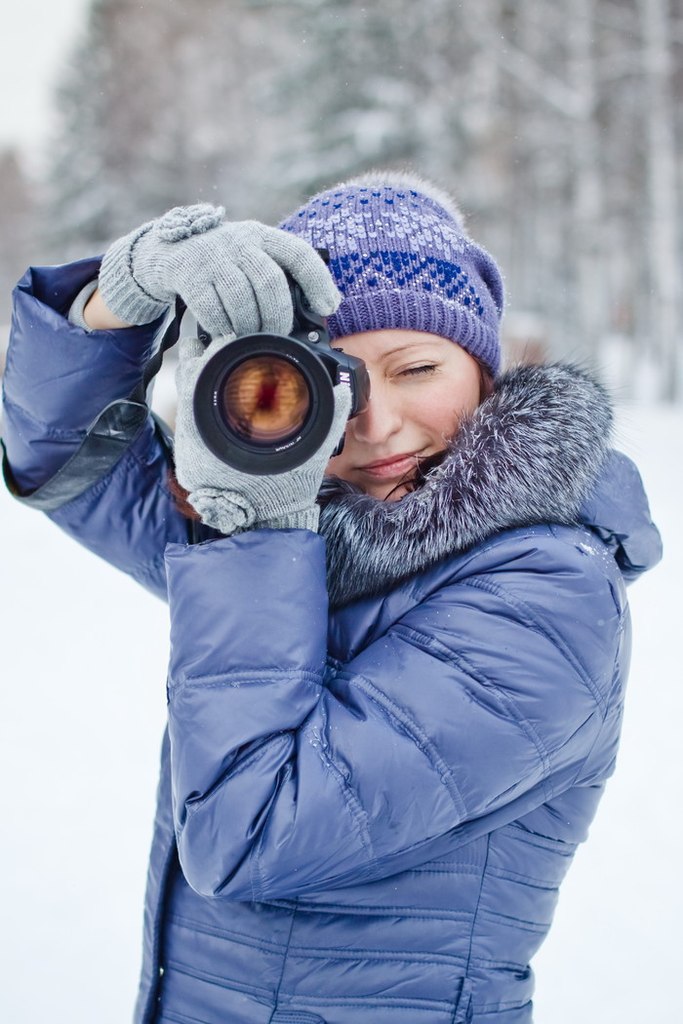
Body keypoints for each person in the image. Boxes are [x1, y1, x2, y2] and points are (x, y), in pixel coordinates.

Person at [1, 171, 662, 1024]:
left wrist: (259, 531)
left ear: (485, 372)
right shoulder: (302, 534)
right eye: (336, 382)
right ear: (284, 386)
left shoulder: (549, 598)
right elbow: (64, 463)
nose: (377, 423)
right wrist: (115, 303)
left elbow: (247, 832)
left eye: (417, 367)